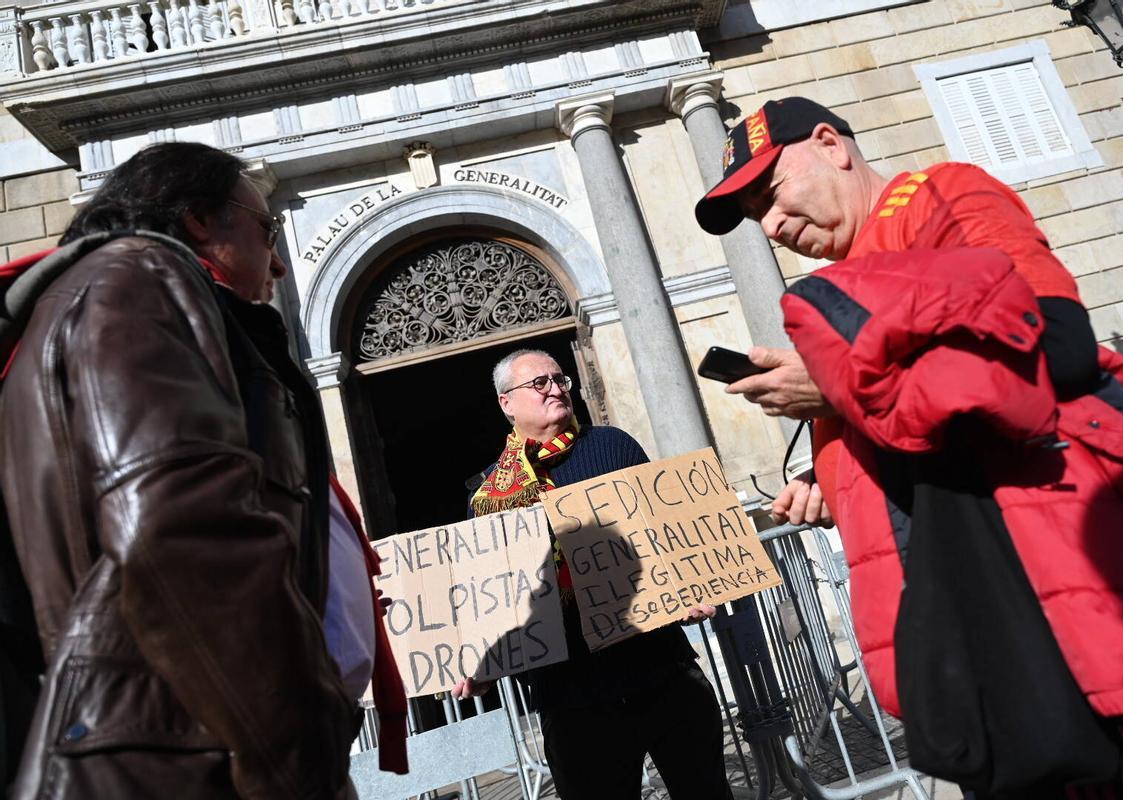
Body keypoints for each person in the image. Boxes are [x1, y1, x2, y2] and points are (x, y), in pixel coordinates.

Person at [694, 98, 1123, 797]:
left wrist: (839, 390)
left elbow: (1057, 349)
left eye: (771, 194)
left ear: (830, 144)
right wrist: (829, 479)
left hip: (1048, 589)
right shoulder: (839, 293)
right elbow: (913, 439)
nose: (773, 226)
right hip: (964, 615)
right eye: (757, 219)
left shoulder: (942, 196)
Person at [0, 142, 373, 799]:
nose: (280, 262)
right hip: (198, 752)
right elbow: (180, 537)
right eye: (267, 229)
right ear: (200, 219)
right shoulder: (139, 281)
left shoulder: (105, 292)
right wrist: (297, 756)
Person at [454, 348, 733, 800]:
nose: (556, 388)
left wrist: (690, 584)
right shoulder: (486, 496)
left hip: (661, 672)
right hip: (572, 700)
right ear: (506, 403)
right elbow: (496, 599)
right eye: (539, 383)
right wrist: (489, 660)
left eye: (560, 378)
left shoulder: (613, 445)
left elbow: (667, 531)